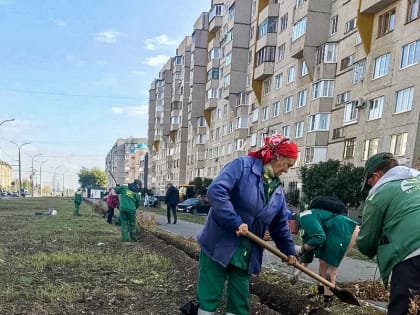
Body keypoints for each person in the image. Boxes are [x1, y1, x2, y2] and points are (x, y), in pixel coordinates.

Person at [195, 134, 298, 315]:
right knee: (209, 296)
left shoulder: (277, 191)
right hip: (219, 242)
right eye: (288, 164)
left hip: (247, 251)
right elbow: (216, 191)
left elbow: (280, 225)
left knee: (239, 301)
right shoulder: (242, 166)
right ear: (277, 156)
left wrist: (288, 252)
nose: (288, 170)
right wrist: (236, 221)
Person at [356, 152, 420, 315]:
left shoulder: (380, 193)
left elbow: (366, 242)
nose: (370, 187)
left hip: (413, 255)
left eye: (369, 183)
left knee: (405, 308)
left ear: (376, 175)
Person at [295, 195, 359, 306]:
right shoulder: (311, 220)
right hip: (335, 229)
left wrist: (301, 251)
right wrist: (297, 273)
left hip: (343, 231)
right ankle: (323, 290)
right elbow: (308, 253)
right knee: (322, 262)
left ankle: (327, 299)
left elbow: (316, 240)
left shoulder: (306, 218)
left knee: (331, 268)